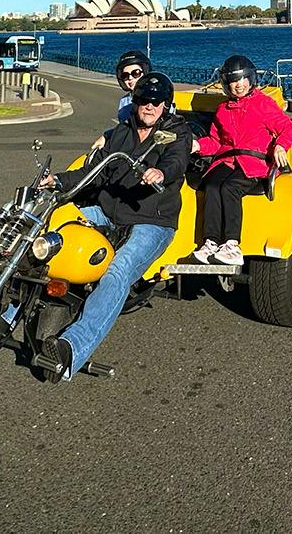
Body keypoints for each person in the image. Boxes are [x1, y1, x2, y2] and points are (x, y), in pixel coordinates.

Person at [37, 70, 190, 380]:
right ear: (134, 102)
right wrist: (58, 181)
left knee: (118, 272)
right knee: (50, 230)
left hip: (153, 219)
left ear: (166, 105)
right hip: (109, 212)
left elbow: (177, 160)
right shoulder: (121, 133)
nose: (149, 106)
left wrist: (161, 173)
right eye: (143, 100)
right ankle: (7, 311)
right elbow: (94, 170)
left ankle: (71, 350)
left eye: (156, 102)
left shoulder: (177, 132)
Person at [190, 55, 292, 265]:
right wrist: (198, 146)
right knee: (211, 185)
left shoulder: (262, 103)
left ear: (250, 79)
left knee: (230, 188)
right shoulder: (223, 110)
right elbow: (215, 140)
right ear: (226, 84)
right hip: (227, 160)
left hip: (254, 163)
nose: (239, 85)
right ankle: (210, 241)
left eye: (242, 79)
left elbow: (290, 127)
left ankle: (232, 244)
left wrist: (280, 145)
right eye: (233, 81)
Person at [113, 50, 151, 122]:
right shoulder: (124, 101)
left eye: (136, 73)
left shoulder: (158, 98)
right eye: (125, 75)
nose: (130, 78)